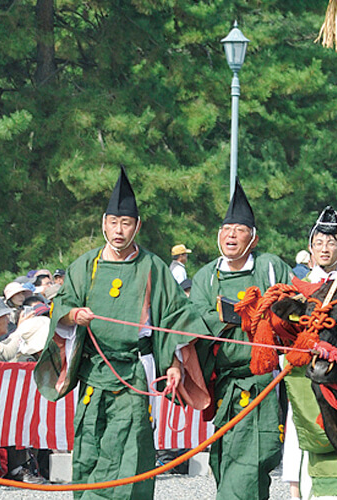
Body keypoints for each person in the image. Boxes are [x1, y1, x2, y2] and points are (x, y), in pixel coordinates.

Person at [33, 167, 210, 500]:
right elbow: (62, 306)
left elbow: (175, 316)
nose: (118, 230)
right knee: (89, 447)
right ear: (103, 223)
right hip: (93, 372)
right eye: (113, 222)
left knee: (131, 453)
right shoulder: (85, 266)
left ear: (137, 226)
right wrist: (73, 315)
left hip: (134, 373)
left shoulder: (152, 267)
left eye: (126, 223)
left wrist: (173, 362)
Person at [189, 181, 293, 500]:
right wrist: (239, 317)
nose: (231, 235)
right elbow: (196, 320)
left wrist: (259, 316)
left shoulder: (270, 267)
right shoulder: (206, 276)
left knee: (250, 464)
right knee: (225, 463)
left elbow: (290, 309)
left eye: (239, 229)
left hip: (261, 383)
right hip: (224, 385)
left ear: (254, 237)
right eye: (226, 229)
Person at [281, 205, 337, 500]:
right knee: (299, 422)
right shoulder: (300, 282)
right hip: (307, 369)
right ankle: (296, 488)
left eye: (331, 242)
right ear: (310, 247)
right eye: (319, 243)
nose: (325, 248)